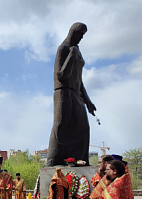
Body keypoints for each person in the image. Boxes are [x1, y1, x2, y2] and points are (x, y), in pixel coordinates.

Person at [47, 23, 96, 166]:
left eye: (83, 35)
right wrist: (72, 55)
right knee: (62, 124)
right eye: (80, 34)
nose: (81, 37)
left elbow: (79, 80)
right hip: (63, 91)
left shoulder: (77, 50)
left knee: (83, 127)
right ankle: (53, 160)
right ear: (73, 32)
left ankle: (77, 161)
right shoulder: (64, 49)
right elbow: (61, 75)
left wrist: (88, 102)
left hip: (76, 93)